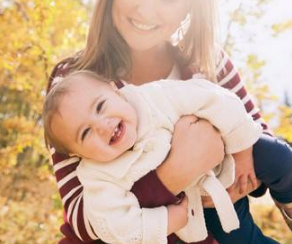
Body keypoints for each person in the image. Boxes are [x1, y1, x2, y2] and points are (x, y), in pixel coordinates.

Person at [47, 0, 290, 243]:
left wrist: (238, 175)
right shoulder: (75, 82)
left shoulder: (209, 62)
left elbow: (260, 139)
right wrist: (172, 177)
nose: (146, 10)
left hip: (219, 205)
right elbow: (82, 217)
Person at [43, 70, 292, 244]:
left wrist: (243, 150)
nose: (102, 125)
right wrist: (165, 221)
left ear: (115, 92)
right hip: (202, 205)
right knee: (239, 238)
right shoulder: (98, 176)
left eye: (100, 107)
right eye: (85, 132)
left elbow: (214, 98)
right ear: (76, 154)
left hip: (230, 156)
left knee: (280, 157)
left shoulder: (153, 98)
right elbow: (113, 222)